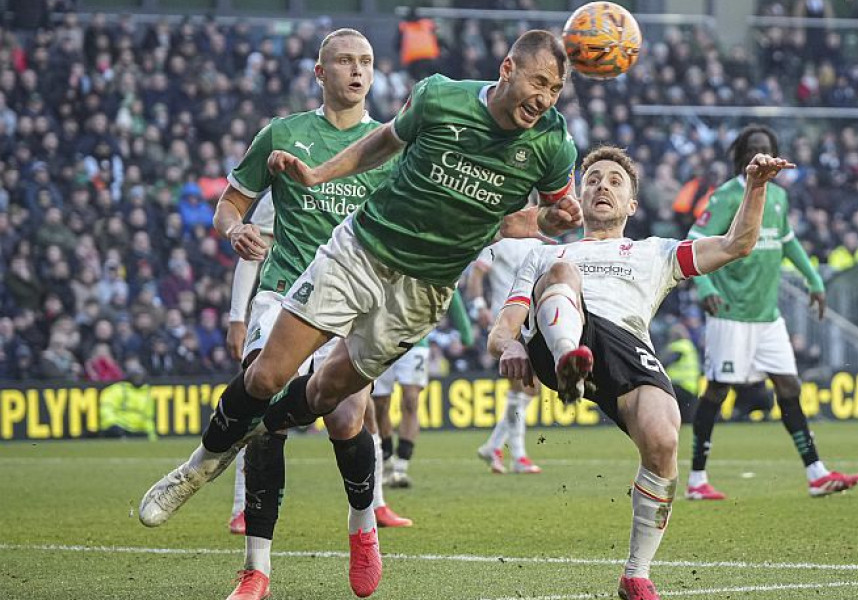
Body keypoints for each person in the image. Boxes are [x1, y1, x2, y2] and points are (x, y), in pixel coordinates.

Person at [138, 29, 582, 599]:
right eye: (539, 82)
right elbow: (383, 145)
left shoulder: (552, 146)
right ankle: (200, 468)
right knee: (268, 378)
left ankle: (361, 523)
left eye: (556, 88)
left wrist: (552, 223)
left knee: (335, 407)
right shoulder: (438, 97)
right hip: (360, 253)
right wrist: (318, 176)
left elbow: (536, 218)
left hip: (422, 291)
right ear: (507, 68)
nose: (545, 97)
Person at [145, 28, 407, 600]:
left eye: (365, 61)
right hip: (283, 292)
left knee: (344, 418)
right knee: (262, 413)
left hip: (354, 299)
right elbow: (231, 202)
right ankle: (256, 569)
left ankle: (363, 528)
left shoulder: (387, 147)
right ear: (321, 73)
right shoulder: (284, 133)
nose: (357, 71)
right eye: (344, 61)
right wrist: (236, 230)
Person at [489, 146, 793, 600]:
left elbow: (737, 244)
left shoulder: (656, 252)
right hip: (557, 338)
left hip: (624, 349)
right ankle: (569, 359)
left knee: (664, 438)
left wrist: (756, 186)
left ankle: (636, 573)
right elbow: (501, 332)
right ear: (578, 195)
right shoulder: (545, 255)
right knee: (561, 271)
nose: (601, 186)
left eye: (614, 181)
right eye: (592, 179)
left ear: (632, 203)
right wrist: (510, 347)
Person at [686, 125, 858, 501]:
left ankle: (816, 473)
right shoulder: (728, 195)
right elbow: (692, 240)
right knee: (718, 390)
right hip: (730, 313)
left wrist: (814, 278)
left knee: (789, 386)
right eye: (754, 150)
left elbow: (788, 242)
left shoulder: (779, 197)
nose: (761, 156)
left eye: (767, 149)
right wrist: (704, 286)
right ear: (742, 156)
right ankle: (697, 480)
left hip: (767, 316)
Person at [224, 191, 413, 541]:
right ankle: (241, 507)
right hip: (290, 308)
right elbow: (253, 249)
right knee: (265, 401)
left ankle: (374, 505)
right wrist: (238, 317)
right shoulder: (291, 177)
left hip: (345, 307)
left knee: (358, 411)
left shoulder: (374, 171)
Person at [373, 291, 474, 488]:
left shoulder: (426, 262)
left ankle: (401, 466)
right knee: (380, 405)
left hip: (416, 342)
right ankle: (386, 460)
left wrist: (465, 334)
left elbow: (452, 292)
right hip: (381, 341)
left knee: (411, 401)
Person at [470, 237, 546, 474]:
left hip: (531, 321)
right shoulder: (497, 242)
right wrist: (480, 306)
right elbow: (476, 276)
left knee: (532, 388)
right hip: (506, 322)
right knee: (518, 387)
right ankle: (519, 456)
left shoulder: (537, 242)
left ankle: (493, 445)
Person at [98, 364, 155, 441]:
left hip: (136, 431)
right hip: (119, 428)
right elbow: (107, 409)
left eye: (140, 376)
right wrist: (113, 425)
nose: (138, 379)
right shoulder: (118, 389)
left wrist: (151, 436)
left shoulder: (146, 393)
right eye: (136, 376)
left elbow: (148, 418)